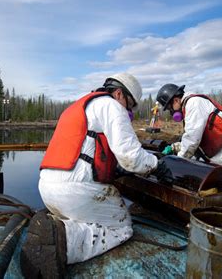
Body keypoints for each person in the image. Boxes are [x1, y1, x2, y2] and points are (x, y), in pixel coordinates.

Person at [21, 72, 173, 277]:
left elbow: (87, 151)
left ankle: (52, 225)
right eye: (129, 106)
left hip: (48, 188)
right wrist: (156, 165)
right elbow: (130, 156)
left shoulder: (79, 106)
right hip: (75, 191)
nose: (127, 111)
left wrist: (114, 169)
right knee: (122, 229)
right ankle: (63, 240)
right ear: (119, 94)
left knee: (87, 215)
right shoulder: (111, 105)